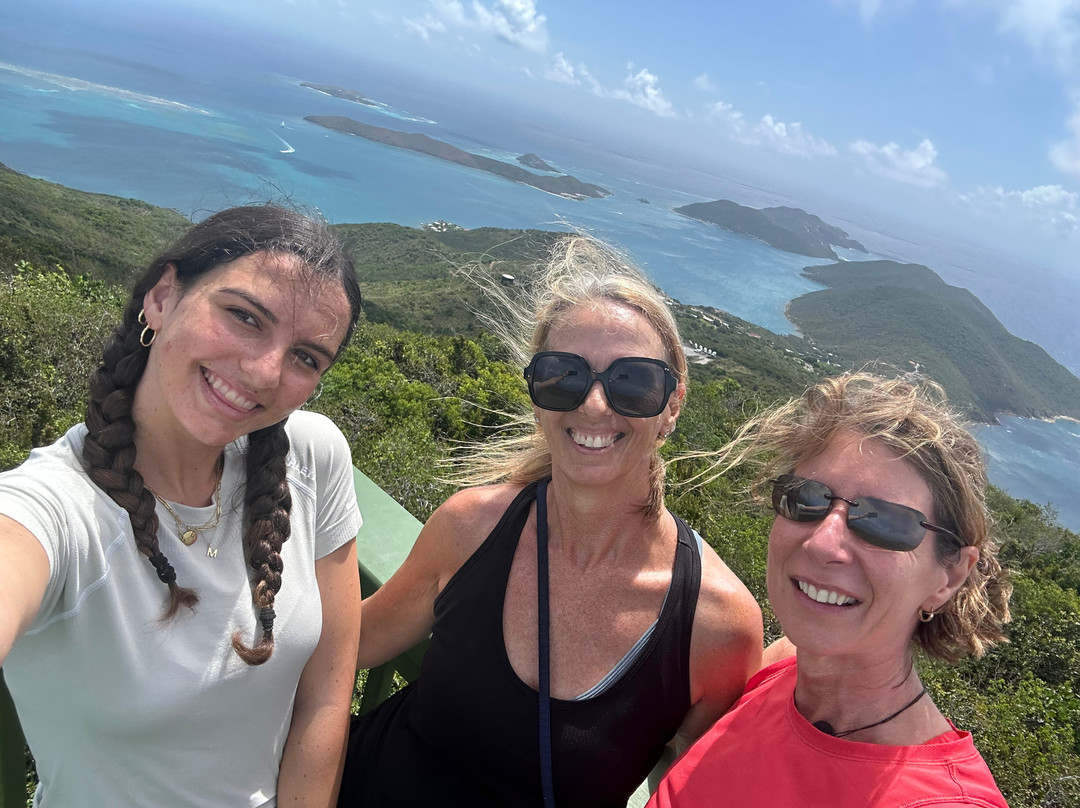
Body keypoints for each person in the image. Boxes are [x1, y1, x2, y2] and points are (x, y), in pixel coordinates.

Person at [337, 236, 763, 808]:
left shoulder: (716, 625)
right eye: (564, 376)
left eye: (633, 383)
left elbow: (691, 790)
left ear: (672, 406)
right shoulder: (471, 528)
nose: (594, 405)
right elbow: (349, 646)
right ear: (537, 397)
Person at [0, 205, 365, 807]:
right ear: (162, 297)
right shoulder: (57, 509)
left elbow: (326, 694)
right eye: (245, 316)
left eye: (305, 357)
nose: (265, 372)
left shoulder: (312, 457)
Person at [649, 373, 1011, 807]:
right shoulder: (781, 670)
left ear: (948, 578)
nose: (822, 543)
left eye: (883, 522)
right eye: (807, 498)